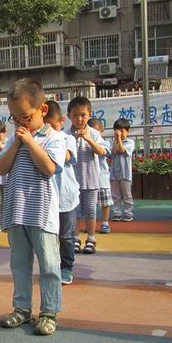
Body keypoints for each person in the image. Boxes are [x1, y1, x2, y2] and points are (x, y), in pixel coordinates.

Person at [0, 79, 65, 335]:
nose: (19, 123)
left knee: (49, 266)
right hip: (17, 211)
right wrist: (16, 143)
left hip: (42, 214)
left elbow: (49, 168)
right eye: (14, 118)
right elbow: (1, 168)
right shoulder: (14, 140)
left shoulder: (54, 138)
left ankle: (49, 312)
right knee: (19, 264)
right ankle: (22, 308)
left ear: (42, 110)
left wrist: (30, 142)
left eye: (25, 117)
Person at [45, 100, 79, 285]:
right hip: (47, 197)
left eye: (53, 125)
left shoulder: (67, 138)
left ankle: (66, 267)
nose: (49, 129)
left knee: (66, 236)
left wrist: (53, 139)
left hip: (66, 196)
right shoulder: (39, 140)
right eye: (46, 126)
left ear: (62, 121)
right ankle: (51, 266)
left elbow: (67, 157)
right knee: (48, 236)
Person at [67, 96, 106, 254]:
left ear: (89, 115)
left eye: (83, 115)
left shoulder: (94, 134)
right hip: (72, 182)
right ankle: (75, 238)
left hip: (90, 180)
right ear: (69, 116)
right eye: (75, 115)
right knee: (74, 212)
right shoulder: (66, 134)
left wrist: (88, 139)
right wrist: (73, 139)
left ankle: (91, 238)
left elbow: (102, 152)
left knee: (90, 211)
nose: (79, 119)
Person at [88, 118, 113, 233]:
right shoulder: (85, 143)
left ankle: (105, 223)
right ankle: (90, 224)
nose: (94, 134)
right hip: (90, 179)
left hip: (102, 178)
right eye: (91, 131)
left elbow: (103, 152)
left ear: (102, 130)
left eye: (96, 131)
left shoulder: (104, 143)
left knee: (105, 203)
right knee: (90, 204)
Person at [110, 118, 135, 222]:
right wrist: (116, 139)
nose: (119, 133)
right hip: (114, 173)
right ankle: (117, 213)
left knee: (127, 195)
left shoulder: (130, 142)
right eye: (117, 131)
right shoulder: (114, 141)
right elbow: (113, 152)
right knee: (115, 195)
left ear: (128, 131)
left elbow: (122, 150)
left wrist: (119, 139)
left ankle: (128, 213)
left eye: (122, 131)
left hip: (125, 174)